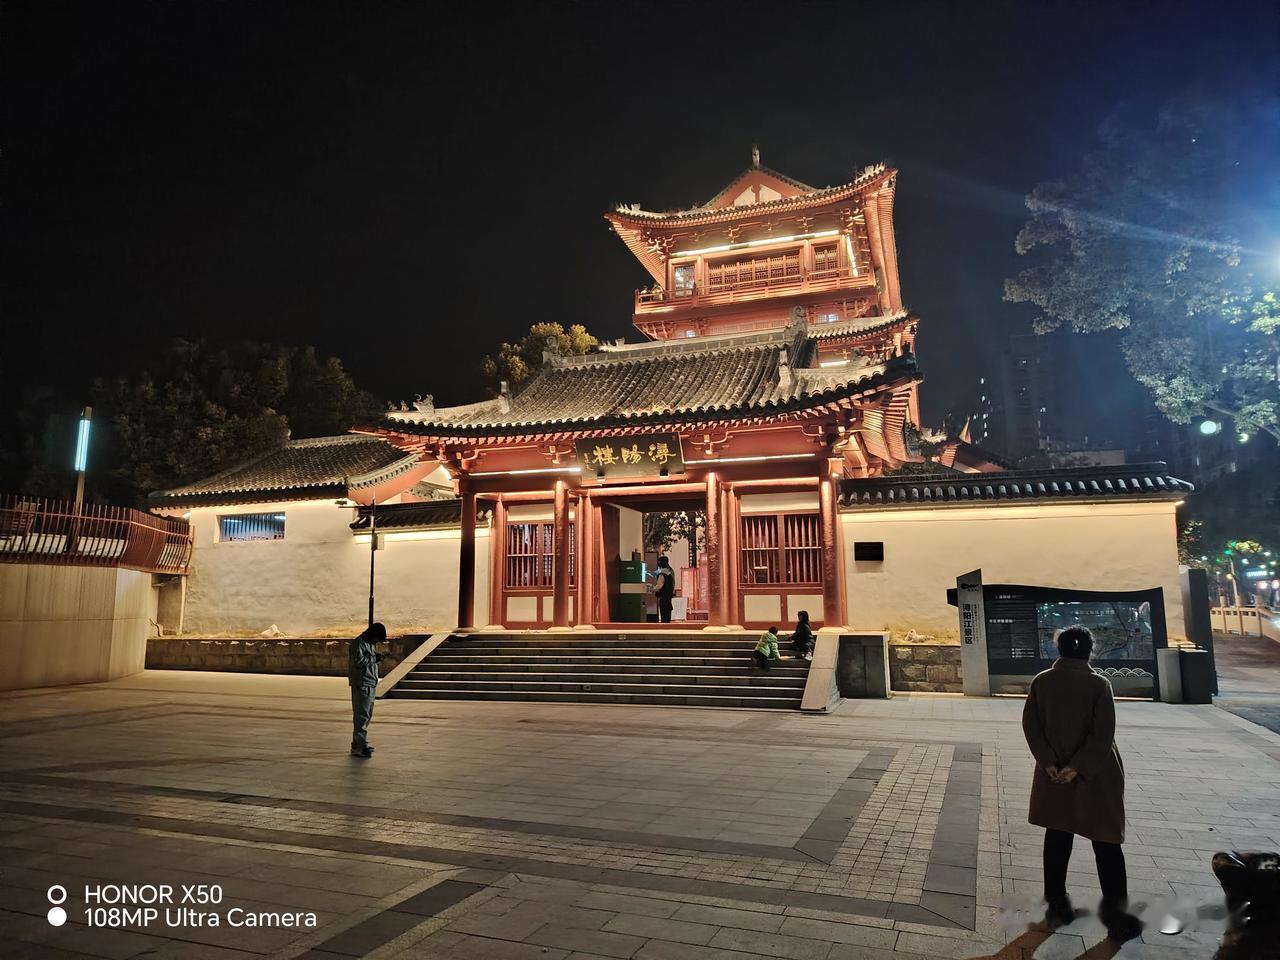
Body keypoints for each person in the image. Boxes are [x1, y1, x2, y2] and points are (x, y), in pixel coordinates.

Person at [1021, 624, 1141, 941]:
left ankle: (1056, 905)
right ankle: (1117, 917)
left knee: (1057, 837)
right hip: (1096, 775)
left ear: (1059, 650)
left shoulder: (1042, 682)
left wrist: (1049, 762)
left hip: (1053, 774)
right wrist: (1077, 767)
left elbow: (1031, 726)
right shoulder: (1098, 684)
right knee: (1107, 844)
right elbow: (1103, 734)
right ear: (1089, 650)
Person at [348, 621, 386, 758]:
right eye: (377, 639)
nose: (377, 642)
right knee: (361, 715)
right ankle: (358, 746)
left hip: (370, 682)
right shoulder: (358, 643)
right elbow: (358, 662)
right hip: (362, 683)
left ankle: (359, 742)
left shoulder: (369, 643)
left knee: (366, 715)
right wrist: (374, 659)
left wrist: (376, 657)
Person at [653, 556, 676, 623]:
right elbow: (673, 583)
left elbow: (659, 585)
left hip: (663, 596)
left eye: (659, 562)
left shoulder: (662, 573)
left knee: (664, 613)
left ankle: (664, 627)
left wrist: (652, 589)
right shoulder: (670, 571)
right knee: (668, 613)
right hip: (669, 596)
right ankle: (667, 626)